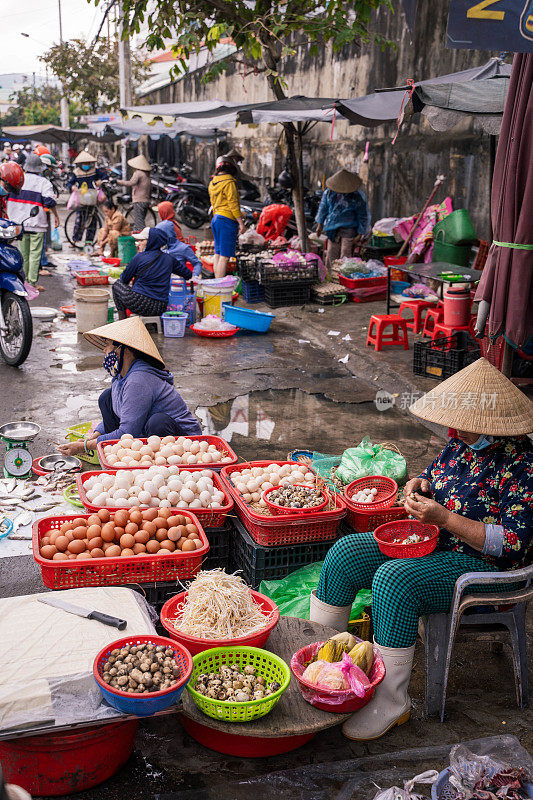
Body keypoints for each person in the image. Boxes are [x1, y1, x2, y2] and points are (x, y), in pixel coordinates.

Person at [310, 357, 533, 742]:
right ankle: (321, 668)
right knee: (346, 552)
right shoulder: (459, 446)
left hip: (481, 566)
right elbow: (433, 476)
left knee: (394, 581)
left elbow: (513, 543)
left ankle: (390, 701)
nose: (455, 430)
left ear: (488, 426)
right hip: (431, 543)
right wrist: (418, 484)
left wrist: (445, 519)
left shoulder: (522, 467)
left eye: (463, 425)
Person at [58, 316, 202, 455]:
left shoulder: (138, 380)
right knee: (107, 398)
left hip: (185, 441)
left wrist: (84, 446)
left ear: (123, 350)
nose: (105, 350)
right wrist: (95, 436)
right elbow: (122, 413)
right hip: (143, 428)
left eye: (108, 345)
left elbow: (127, 432)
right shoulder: (120, 376)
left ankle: (153, 460)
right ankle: (124, 451)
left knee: (157, 422)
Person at [112, 226, 192, 320]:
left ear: (150, 242)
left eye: (142, 241)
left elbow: (124, 279)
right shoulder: (169, 259)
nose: (139, 244)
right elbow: (188, 274)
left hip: (140, 304)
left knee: (116, 285)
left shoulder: (139, 257)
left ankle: (122, 321)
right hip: (160, 307)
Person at [6, 154, 58, 291]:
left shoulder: (17, 178)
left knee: (23, 254)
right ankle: (32, 282)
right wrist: (56, 216)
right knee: (35, 254)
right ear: (40, 169)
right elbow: (49, 201)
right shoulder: (44, 183)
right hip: (37, 223)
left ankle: (22, 282)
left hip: (18, 223)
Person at [315, 168, 370, 271]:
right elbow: (323, 209)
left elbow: (363, 215)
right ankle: (330, 276)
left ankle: (343, 277)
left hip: (349, 229)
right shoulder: (329, 193)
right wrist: (320, 225)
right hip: (332, 229)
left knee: (345, 255)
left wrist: (360, 233)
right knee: (331, 254)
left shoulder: (356, 196)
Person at [208, 155, 245, 278]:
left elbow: (214, 203)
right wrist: (241, 223)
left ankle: (216, 285)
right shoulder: (229, 182)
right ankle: (220, 287)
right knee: (225, 257)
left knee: (218, 253)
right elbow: (233, 204)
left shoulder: (213, 183)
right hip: (226, 221)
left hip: (216, 219)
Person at [67, 151, 105, 246]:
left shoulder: (95, 171)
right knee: (79, 221)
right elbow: (70, 183)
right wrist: (72, 187)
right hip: (82, 199)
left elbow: (105, 176)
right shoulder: (76, 172)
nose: (86, 165)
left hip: (92, 197)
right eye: (84, 163)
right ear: (80, 164)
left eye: (88, 163)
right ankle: (75, 240)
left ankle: (88, 242)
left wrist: (100, 181)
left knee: (92, 221)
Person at [117, 154, 152, 231]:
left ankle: (143, 239)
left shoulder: (138, 173)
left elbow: (131, 183)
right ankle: (138, 239)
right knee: (140, 221)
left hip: (139, 201)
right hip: (146, 201)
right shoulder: (147, 174)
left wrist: (118, 181)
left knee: (139, 223)